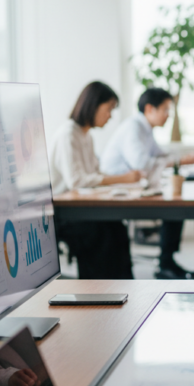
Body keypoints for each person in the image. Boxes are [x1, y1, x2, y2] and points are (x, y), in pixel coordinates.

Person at [100, 87, 194, 279]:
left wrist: (180, 159)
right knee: (174, 207)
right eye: (165, 109)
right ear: (149, 109)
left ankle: (167, 262)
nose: (168, 115)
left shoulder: (145, 129)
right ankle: (166, 263)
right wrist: (181, 161)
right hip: (116, 191)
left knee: (176, 204)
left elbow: (159, 155)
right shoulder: (133, 128)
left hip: (133, 188)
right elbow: (143, 164)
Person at [50, 81, 139, 279]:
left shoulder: (86, 136)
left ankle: (123, 288)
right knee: (102, 235)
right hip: (65, 213)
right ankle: (97, 291)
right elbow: (78, 182)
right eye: (108, 109)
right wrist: (122, 179)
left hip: (82, 208)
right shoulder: (68, 135)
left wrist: (120, 183)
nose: (110, 116)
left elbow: (95, 176)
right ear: (93, 106)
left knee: (117, 228)